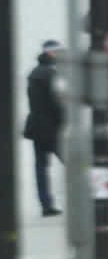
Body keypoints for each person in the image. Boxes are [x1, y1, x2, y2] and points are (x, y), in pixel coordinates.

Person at [23, 39, 65, 217]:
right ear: (52, 53)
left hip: (36, 126)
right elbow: (59, 103)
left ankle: (46, 204)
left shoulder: (35, 72)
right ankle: (93, 198)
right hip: (53, 128)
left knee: (41, 168)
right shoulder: (54, 73)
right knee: (75, 163)